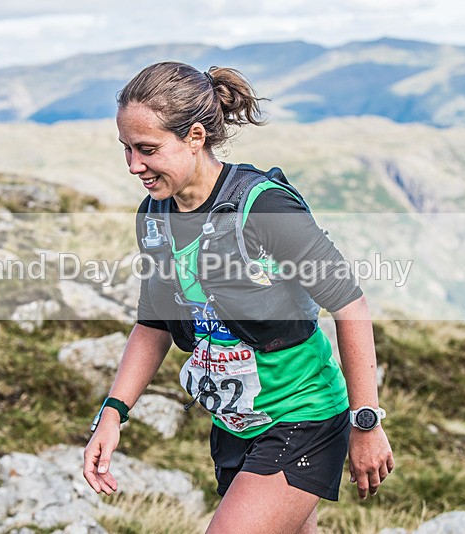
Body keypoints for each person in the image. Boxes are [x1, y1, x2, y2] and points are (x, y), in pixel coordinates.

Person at [83, 62, 394, 534]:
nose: (134, 166)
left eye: (148, 150)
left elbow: (349, 303)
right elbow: (154, 322)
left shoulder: (263, 205)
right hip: (235, 426)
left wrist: (366, 421)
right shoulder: (154, 216)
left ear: (195, 136)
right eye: (126, 149)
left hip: (301, 415)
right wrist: (112, 413)